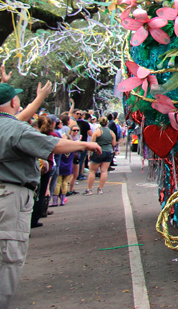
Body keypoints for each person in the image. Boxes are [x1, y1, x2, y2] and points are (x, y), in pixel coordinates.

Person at [0, 82, 101, 309]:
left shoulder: (12, 126)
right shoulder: (15, 129)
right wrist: (84, 144)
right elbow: (52, 144)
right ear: (14, 102)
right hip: (9, 196)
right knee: (8, 256)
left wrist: (38, 98)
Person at [83, 116, 117, 195]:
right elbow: (113, 144)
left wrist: (89, 153)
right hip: (108, 152)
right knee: (104, 171)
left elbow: (92, 143)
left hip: (98, 151)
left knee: (92, 171)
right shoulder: (111, 132)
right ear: (107, 123)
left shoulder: (97, 132)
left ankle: (89, 189)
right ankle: (100, 189)